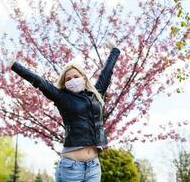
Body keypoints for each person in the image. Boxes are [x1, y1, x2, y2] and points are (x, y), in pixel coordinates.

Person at [7, 43, 120, 182]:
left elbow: (106, 73)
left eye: (75, 76)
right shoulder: (62, 97)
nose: (72, 80)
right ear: (64, 83)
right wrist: (15, 65)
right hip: (71, 168)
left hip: (93, 167)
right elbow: (39, 82)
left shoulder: (96, 95)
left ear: (83, 78)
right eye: (68, 79)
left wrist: (114, 51)